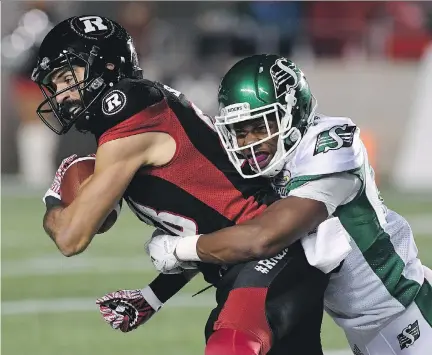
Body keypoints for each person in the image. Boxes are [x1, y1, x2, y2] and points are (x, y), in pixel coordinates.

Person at [33, 17, 330, 355]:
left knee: (229, 347)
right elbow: (209, 216)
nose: (61, 93)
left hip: (267, 252)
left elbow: (71, 238)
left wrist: (54, 200)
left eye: (66, 77)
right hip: (257, 257)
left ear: (107, 64)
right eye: (54, 84)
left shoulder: (126, 107)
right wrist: (154, 295)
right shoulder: (141, 115)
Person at [146, 54, 432, 354]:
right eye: (240, 131)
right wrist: (156, 292)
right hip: (368, 330)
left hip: (413, 314)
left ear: (292, 112)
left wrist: (181, 248)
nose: (248, 143)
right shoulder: (267, 166)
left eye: (259, 126)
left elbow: (264, 237)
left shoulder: (328, 147)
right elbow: (231, 231)